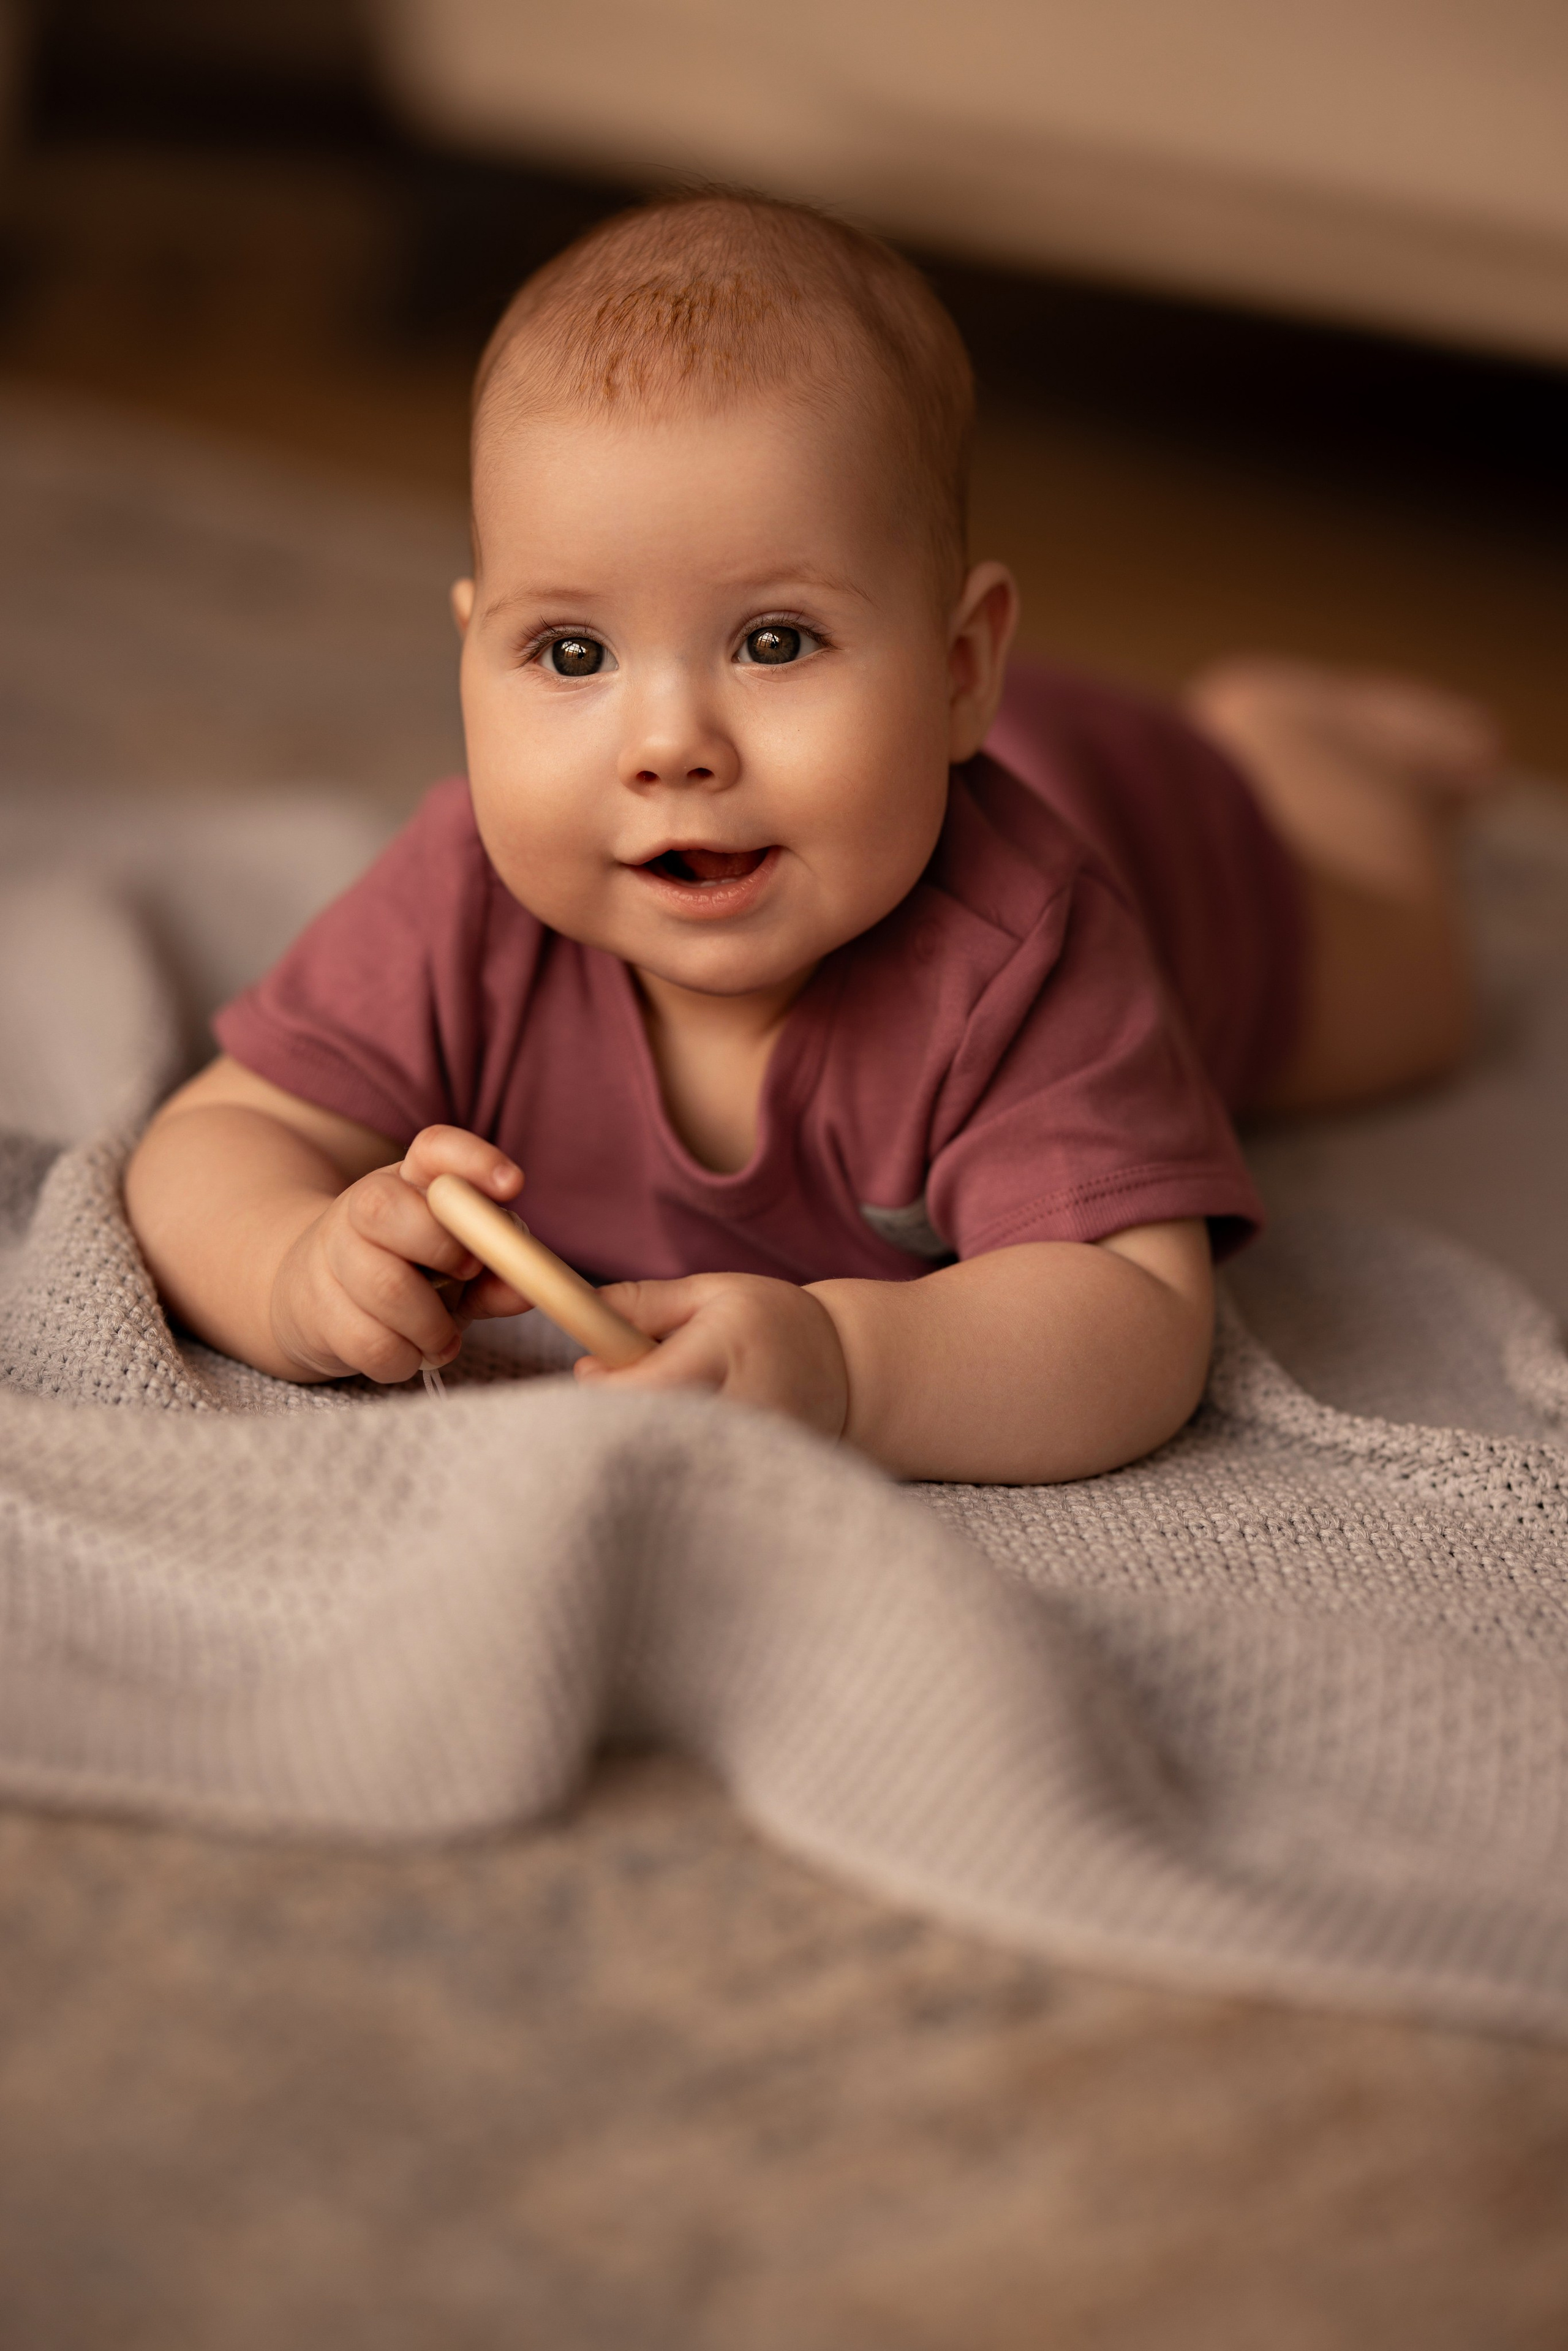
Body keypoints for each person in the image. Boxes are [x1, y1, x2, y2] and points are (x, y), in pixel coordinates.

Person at [124, 191, 1499, 1484]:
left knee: (1408, 997)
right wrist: (298, 1260)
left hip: (1173, 830)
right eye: (570, 649)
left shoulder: (1017, 949)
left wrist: (849, 1366)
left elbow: (1135, 1314)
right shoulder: (464, 898)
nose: (668, 743)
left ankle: (1303, 741)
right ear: (471, 649)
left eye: (773, 641)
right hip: (975, 747)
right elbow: (216, 1137)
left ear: (960, 668)